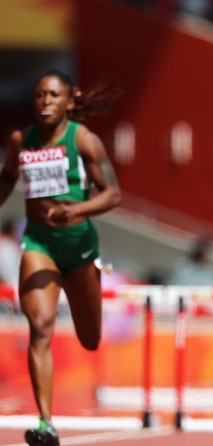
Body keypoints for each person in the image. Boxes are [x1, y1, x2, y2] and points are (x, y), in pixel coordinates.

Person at [0, 69, 122, 446]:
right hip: (39, 244)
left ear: (69, 100)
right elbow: (7, 179)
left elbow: (113, 194)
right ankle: (45, 423)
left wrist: (79, 211)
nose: (45, 102)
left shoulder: (83, 139)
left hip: (80, 244)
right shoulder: (22, 140)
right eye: (39, 96)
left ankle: (87, 301)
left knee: (89, 338)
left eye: (53, 95)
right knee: (39, 325)